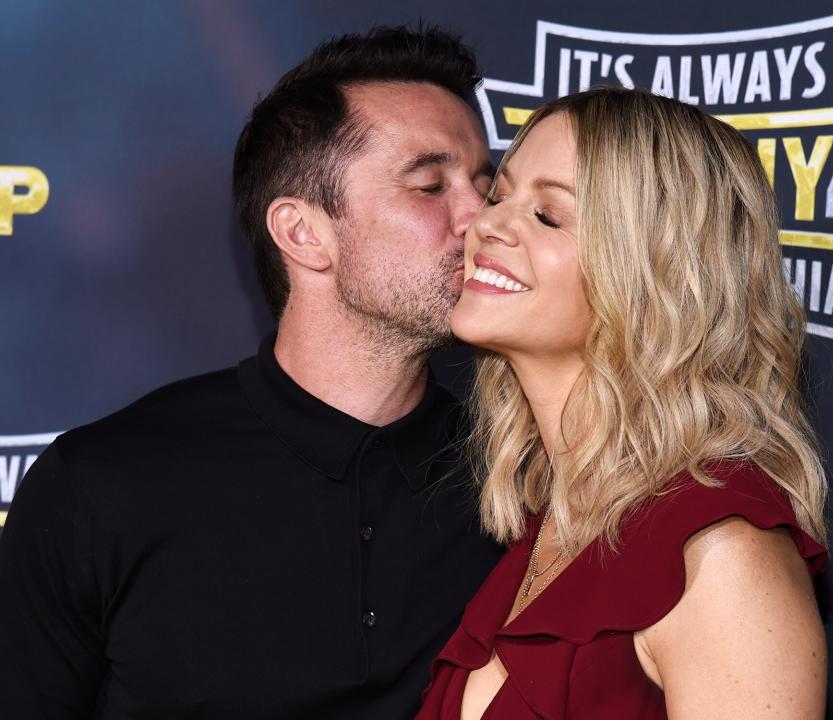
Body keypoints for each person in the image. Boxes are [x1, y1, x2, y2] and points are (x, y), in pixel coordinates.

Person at [0, 25, 501, 719]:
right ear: (303, 233)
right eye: (429, 185)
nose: (482, 220)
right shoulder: (99, 487)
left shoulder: (521, 480)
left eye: (484, 184)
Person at [417, 86, 829, 719]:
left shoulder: (721, 558)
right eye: (500, 196)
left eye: (549, 215)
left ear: (652, 273)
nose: (485, 223)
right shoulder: (547, 525)